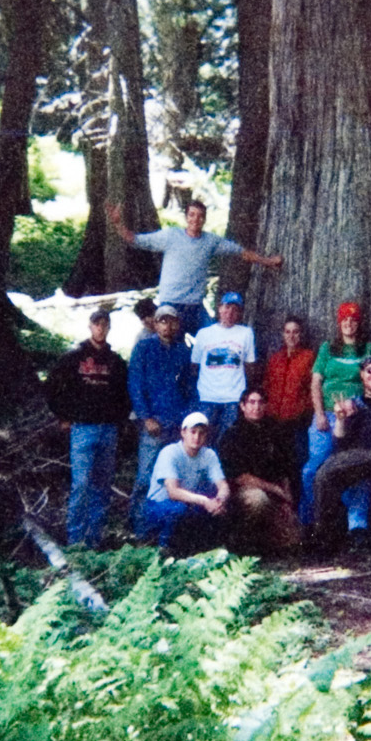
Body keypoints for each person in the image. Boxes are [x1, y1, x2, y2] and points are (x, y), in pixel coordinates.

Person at [107, 198, 282, 335]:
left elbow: (241, 252)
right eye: (191, 215)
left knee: (213, 337)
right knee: (170, 345)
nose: (195, 219)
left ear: (204, 219)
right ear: (186, 217)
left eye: (199, 216)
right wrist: (117, 223)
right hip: (170, 303)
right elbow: (135, 239)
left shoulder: (210, 241)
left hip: (195, 307)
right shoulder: (171, 236)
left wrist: (268, 262)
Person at [45, 309, 130, 549]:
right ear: (90, 326)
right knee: (81, 484)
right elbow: (52, 387)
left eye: (105, 324)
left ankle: (95, 540)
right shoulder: (73, 358)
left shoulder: (116, 362)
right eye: (96, 324)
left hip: (108, 430)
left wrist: (119, 420)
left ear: (109, 328)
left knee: (102, 485)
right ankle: (75, 541)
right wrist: (63, 416)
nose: (100, 328)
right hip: (82, 429)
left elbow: (126, 395)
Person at [312, 357, 371, 554]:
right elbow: (340, 444)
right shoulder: (353, 405)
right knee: (324, 472)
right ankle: (324, 538)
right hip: (361, 456)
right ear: (362, 375)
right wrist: (340, 420)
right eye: (370, 371)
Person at [300, 302, 371, 524]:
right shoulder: (328, 348)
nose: (349, 324)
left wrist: (355, 406)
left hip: (355, 418)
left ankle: (353, 523)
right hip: (326, 416)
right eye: (345, 320)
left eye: (353, 320)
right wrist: (320, 414)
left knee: (353, 469)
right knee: (312, 470)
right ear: (339, 323)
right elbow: (316, 383)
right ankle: (314, 522)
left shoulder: (368, 349)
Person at [128, 304, 195, 535]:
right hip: (153, 423)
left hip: (176, 424)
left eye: (172, 321)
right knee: (146, 475)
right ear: (155, 324)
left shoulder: (183, 352)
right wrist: (145, 417)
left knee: (174, 477)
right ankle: (139, 529)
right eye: (163, 321)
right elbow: (135, 385)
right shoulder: (144, 348)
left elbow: (189, 388)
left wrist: (185, 420)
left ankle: (168, 529)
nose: (168, 325)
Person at [219, 388, 303, 554]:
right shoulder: (232, 435)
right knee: (258, 499)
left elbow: (284, 469)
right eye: (251, 402)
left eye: (260, 403)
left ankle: (266, 542)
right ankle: (242, 543)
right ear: (242, 406)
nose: (256, 407)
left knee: (294, 540)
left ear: (265, 405)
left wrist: (287, 499)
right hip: (243, 494)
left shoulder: (274, 432)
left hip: (273, 492)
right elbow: (239, 477)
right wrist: (276, 490)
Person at [142, 411, 230, 554]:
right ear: (183, 433)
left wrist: (220, 500)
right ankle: (162, 549)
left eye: (201, 433)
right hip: (159, 504)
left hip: (188, 502)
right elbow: (173, 492)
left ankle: (204, 550)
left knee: (221, 508)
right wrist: (205, 501)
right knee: (179, 510)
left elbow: (222, 484)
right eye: (193, 432)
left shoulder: (209, 454)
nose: (196, 437)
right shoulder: (169, 452)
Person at [190, 291, 258, 445]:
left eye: (235, 309)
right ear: (219, 308)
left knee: (227, 439)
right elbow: (194, 366)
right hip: (207, 396)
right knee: (202, 439)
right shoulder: (204, 334)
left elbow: (249, 365)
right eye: (227, 307)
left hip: (234, 397)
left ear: (240, 312)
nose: (230, 312)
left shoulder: (246, 333)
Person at [264, 314, 316, 473]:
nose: (291, 336)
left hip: (297, 421)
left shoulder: (308, 357)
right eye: (287, 332)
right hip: (275, 420)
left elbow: (312, 386)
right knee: (275, 461)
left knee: (298, 461)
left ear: (301, 334)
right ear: (283, 334)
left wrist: (303, 408)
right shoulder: (275, 358)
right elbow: (267, 384)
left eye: (295, 332)